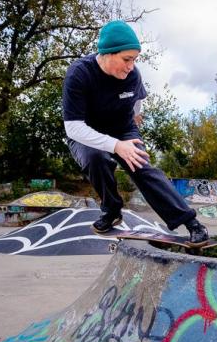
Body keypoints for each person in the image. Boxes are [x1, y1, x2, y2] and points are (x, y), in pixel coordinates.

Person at [62, 20, 209, 246]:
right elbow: (73, 128)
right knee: (95, 158)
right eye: (126, 59)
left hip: (122, 128)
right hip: (86, 132)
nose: (131, 66)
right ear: (108, 54)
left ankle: (192, 223)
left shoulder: (133, 75)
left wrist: (132, 124)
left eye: (135, 59)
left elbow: (137, 101)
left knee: (141, 166)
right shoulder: (79, 74)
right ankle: (111, 210)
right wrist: (115, 146)